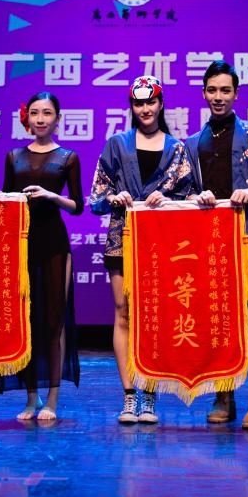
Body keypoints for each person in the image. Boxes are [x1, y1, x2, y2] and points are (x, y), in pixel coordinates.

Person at [185, 60, 248, 429]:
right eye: (212, 90)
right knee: (217, 315)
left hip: (246, 237)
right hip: (209, 241)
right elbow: (183, 190)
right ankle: (223, 391)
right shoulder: (192, 143)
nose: (218, 97)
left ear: (236, 94)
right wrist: (197, 196)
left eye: (225, 90)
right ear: (203, 94)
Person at [89, 75, 195, 425]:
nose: (145, 109)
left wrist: (169, 198)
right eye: (138, 103)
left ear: (161, 104)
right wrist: (114, 196)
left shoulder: (177, 148)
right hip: (122, 239)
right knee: (123, 312)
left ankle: (150, 394)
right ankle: (129, 395)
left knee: (152, 315)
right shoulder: (116, 145)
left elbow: (190, 197)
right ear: (131, 107)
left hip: (160, 243)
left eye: (151, 102)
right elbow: (96, 197)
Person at [0, 91, 84, 420]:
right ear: (27, 118)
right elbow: (6, 201)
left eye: (47, 113)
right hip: (21, 244)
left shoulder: (67, 158)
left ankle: (52, 400)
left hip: (54, 243)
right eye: (35, 113)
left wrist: (50, 195)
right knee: (26, 321)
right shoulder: (14, 157)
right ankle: (31, 398)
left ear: (57, 119)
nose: (41, 119)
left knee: (54, 322)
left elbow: (77, 207)